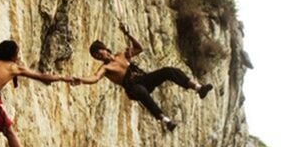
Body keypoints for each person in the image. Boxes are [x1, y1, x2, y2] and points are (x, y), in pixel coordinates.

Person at [73, 22, 213, 131]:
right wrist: (81, 80)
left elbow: (139, 48)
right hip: (133, 88)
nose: (99, 56)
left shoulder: (122, 55)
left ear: (104, 48)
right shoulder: (106, 68)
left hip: (144, 78)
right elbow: (95, 78)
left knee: (169, 71)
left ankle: (198, 88)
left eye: (98, 52)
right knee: (141, 91)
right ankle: (165, 120)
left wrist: (127, 34)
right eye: (96, 56)